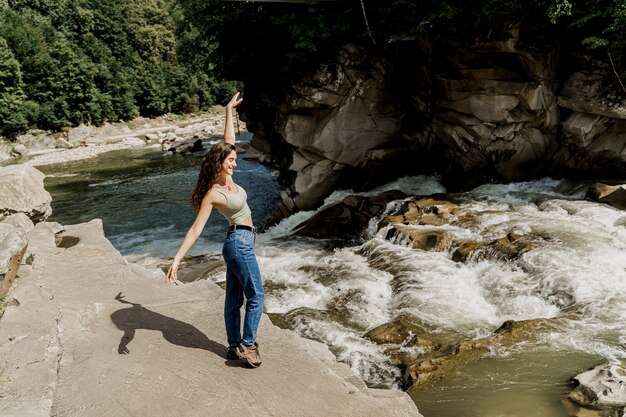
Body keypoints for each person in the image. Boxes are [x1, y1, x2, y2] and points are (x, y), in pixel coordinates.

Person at [166, 92, 264, 368]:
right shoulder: (214, 193)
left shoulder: (229, 174)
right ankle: (249, 344)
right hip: (239, 243)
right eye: (230, 160)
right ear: (219, 163)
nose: (234, 162)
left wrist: (228, 111)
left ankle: (234, 347)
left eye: (234, 159)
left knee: (234, 298)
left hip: (240, 242)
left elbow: (228, 141)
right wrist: (177, 259)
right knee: (256, 295)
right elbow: (196, 229)